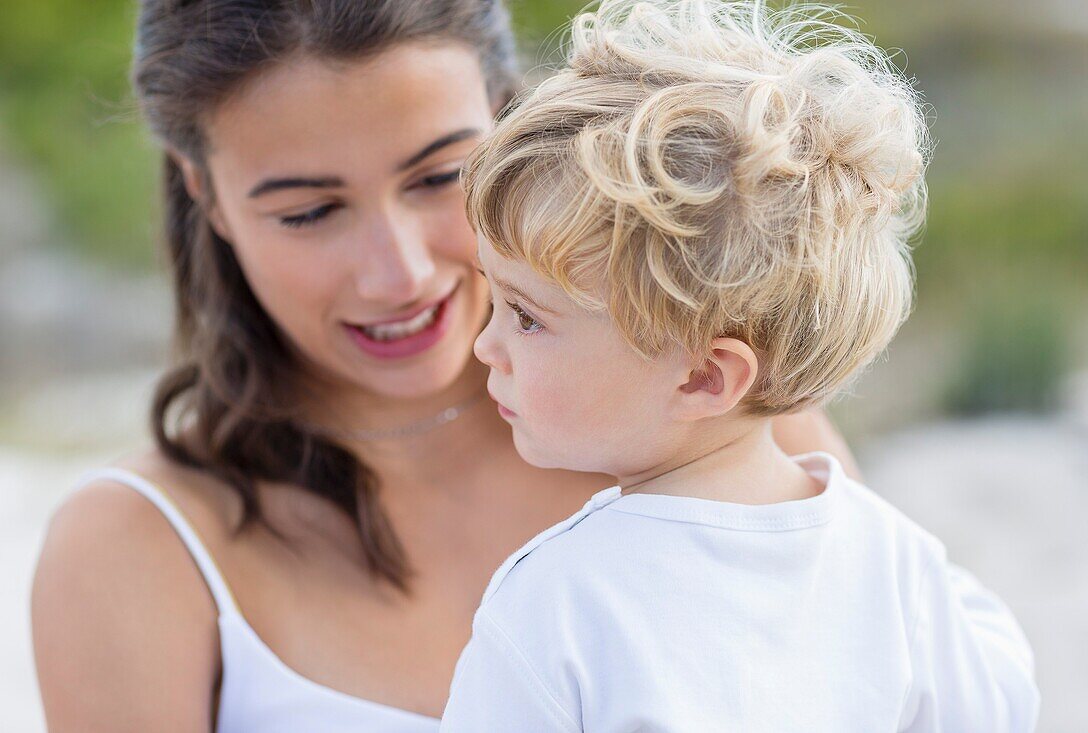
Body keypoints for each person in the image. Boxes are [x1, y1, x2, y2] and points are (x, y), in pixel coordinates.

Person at [29, 1, 857, 731]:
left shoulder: (717, 413)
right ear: (202, 192)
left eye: (439, 177)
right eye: (309, 212)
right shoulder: (138, 550)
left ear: (509, 124)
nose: (400, 274)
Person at [439, 1, 1040, 730]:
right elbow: (1003, 699)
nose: (484, 345)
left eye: (527, 316)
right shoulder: (898, 563)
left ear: (703, 378)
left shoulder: (554, 606)